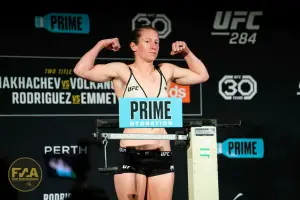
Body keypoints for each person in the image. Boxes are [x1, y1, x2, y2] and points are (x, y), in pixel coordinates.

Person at [73, 25, 209, 200]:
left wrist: (187, 52)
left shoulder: (166, 71)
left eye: (157, 42)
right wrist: (101, 44)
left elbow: (202, 75)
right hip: (131, 153)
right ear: (134, 46)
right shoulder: (122, 70)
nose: (154, 46)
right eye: (147, 41)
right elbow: (80, 70)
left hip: (161, 152)